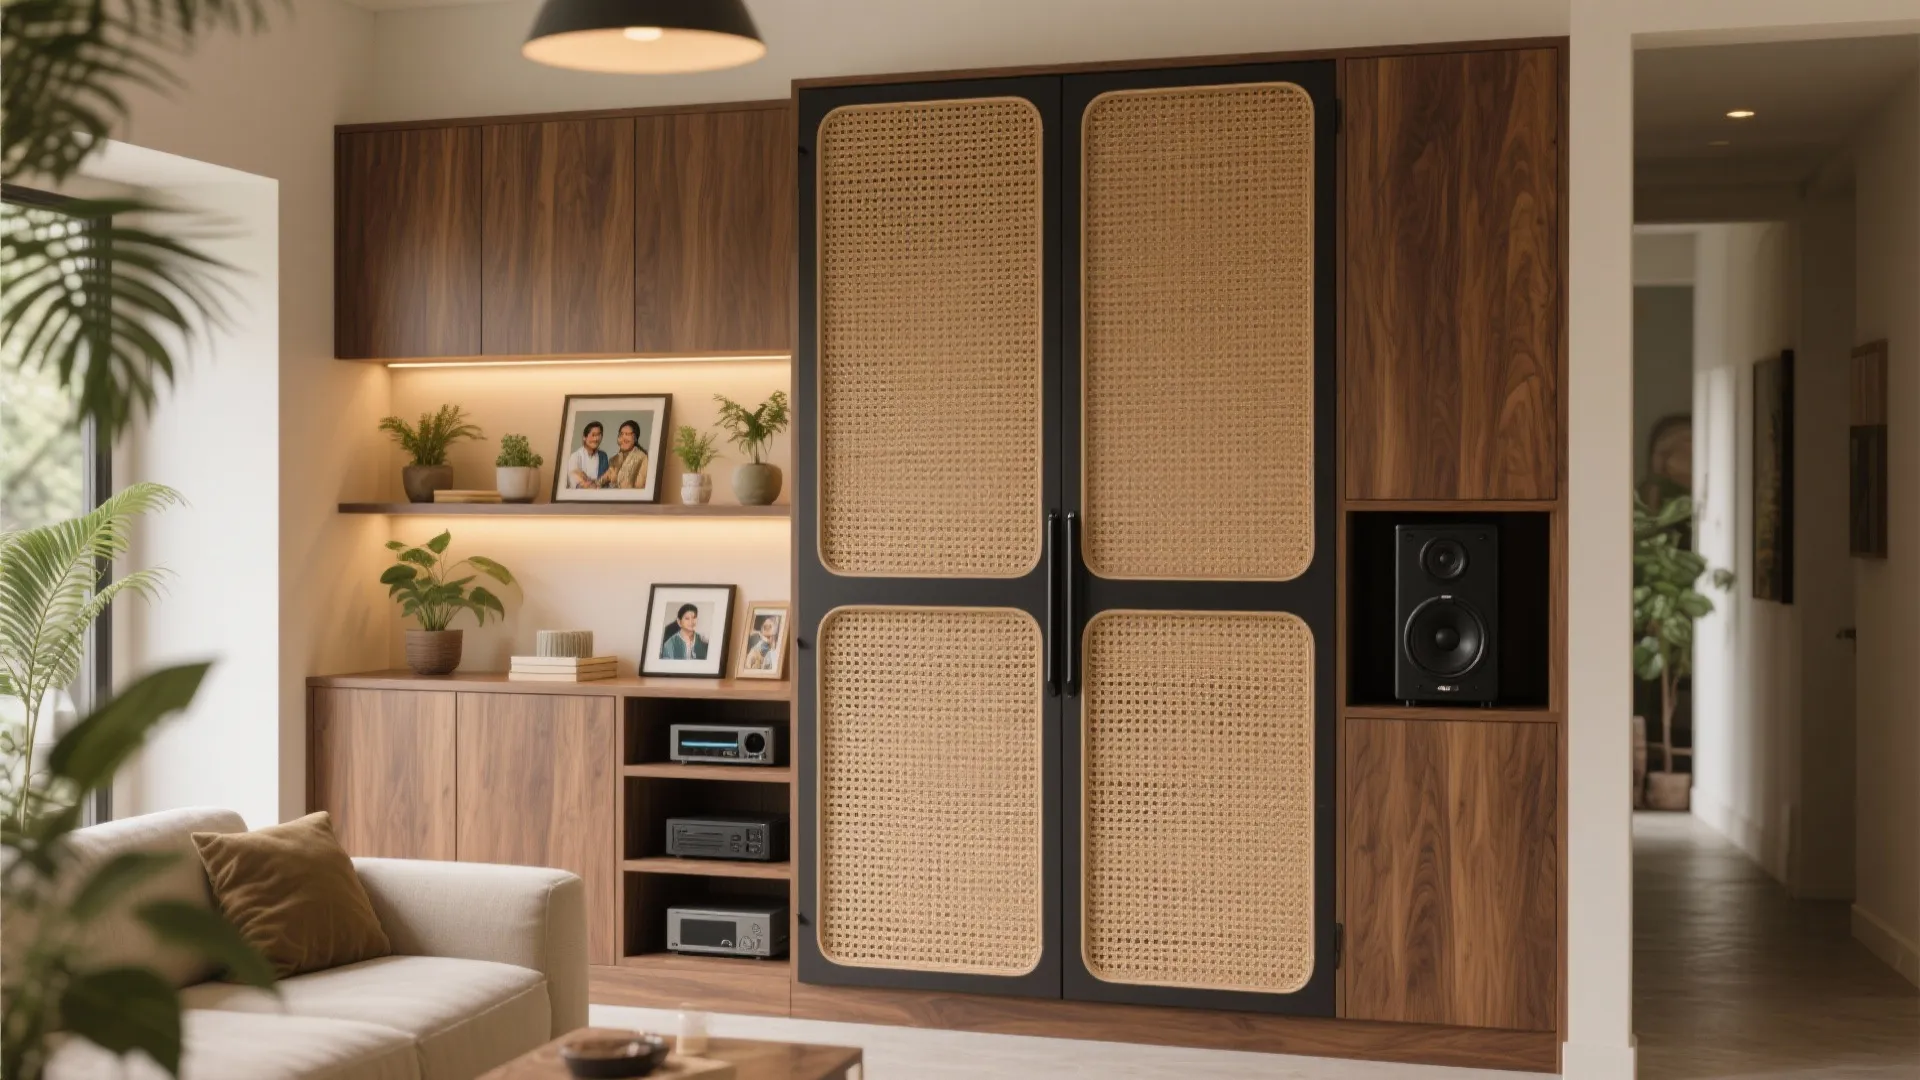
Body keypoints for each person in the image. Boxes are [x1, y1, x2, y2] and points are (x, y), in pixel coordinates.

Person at [601, 419, 650, 490]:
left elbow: (639, 490)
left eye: (627, 434)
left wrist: (614, 482)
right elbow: (601, 482)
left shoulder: (643, 458)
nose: (623, 438)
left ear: (635, 438)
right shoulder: (613, 459)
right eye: (621, 434)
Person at [564, 421, 608, 489]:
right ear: (584, 437)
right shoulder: (575, 456)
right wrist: (586, 484)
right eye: (593, 435)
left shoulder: (603, 456)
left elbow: (605, 481)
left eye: (599, 435)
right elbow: (574, 481)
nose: (596, 439)